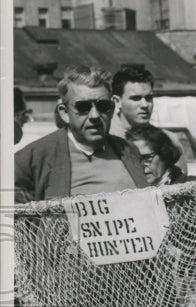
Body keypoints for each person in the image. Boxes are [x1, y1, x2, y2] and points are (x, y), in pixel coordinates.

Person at [15, 65, 147, 203]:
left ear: (112, 109)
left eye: (103, 106)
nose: (95, 115)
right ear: (64, 113)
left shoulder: (129, 151)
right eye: (83, 107)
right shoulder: (32, 158)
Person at [109, 65, 155, 139]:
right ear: (117, 101)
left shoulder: (167, 140)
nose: (145, 105)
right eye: (136, 98)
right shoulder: (103, 139)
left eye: (148, 98)